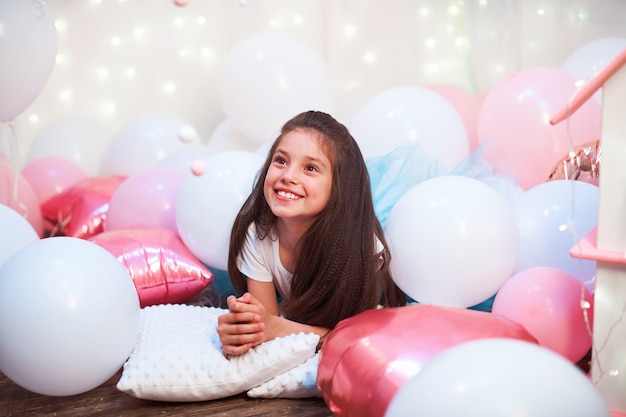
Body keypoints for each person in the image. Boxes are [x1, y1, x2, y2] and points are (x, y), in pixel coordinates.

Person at [216, 110, 406, 356]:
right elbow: (268, 324)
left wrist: (277, 327)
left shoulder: (362, 246)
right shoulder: (258, 234)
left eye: (311, 168)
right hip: (307, 320)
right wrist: (244, 328)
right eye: (281, 161)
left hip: (371, 317)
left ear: (338, 185)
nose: (288, 176)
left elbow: (353, 333)